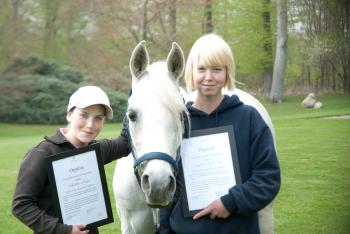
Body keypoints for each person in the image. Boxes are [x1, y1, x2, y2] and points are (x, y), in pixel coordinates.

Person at [160, 33, 281, 233]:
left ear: (227, 72)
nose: (208, 77)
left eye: (217, 69)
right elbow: (170, 188)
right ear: (191, 72)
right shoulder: (179, 124)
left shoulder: (249, 118)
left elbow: (268, 178)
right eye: (201, 69)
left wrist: (230, 202)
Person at [12, 86, 130, 234]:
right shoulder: (41, 153)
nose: (90, 125)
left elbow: (125, 143)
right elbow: (21, 205)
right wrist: (64, 230)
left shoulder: (96, 150)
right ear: (69, 114)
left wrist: (135, 102)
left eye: (98, 118)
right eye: (84, 115)